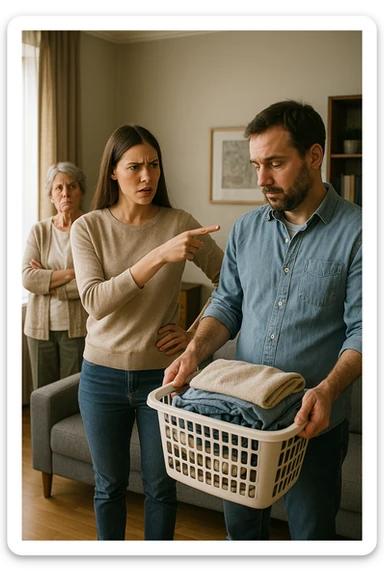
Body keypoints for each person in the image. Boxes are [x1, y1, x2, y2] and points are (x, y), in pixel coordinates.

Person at [163, 99, 362, 541]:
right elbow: (227, 303)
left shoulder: (359, 233)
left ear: (314, 156)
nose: (262, 179)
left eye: (275, 163)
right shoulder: (246, 230)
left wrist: (328, 389)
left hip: (312, 423)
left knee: (313, 538)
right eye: (256, 164)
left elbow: (365, 329)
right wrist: (194, 350)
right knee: (242, 534)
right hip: (244, 419)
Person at [70, 124, 224, 541]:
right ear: (114, 173)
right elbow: (95, 301)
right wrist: (158, 255)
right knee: (109, 487)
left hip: (163, 377)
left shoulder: (180, 222)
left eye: (153, 165)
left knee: (161, 488)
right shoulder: (87, 227)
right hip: (100, 378)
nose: (146, 176)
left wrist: (193, 334)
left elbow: (231, 284)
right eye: (134, 166)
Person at [22, 161, 88, 390]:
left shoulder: (91, 228)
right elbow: (28, 278)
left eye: (71, 186)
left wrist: (52, 283)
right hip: (39, 328)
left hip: (77, 327)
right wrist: (72, 273)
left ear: (81, 192)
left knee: (72, 392)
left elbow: (93, 281)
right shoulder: (39, 230)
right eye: (58, 188)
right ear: (51, 195)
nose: (65, 193)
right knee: (43, 394)